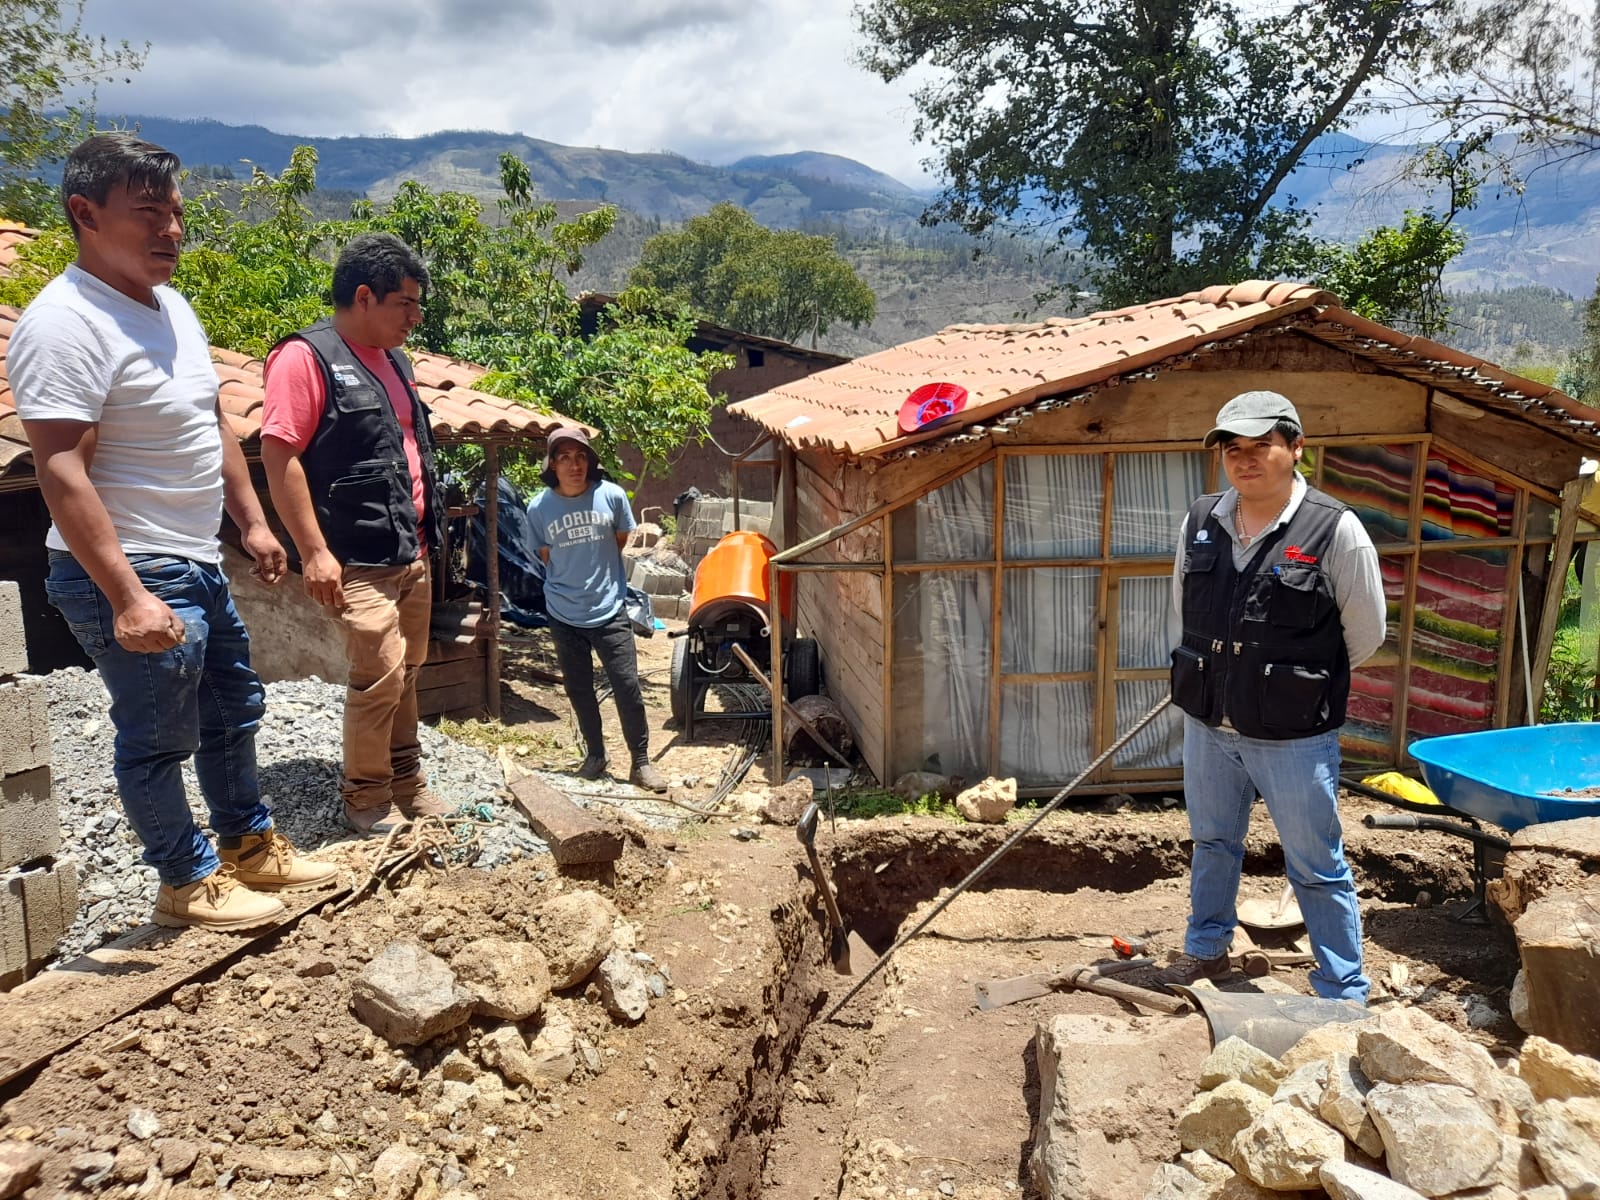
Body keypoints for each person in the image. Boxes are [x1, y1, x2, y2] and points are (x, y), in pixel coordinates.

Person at [12, 133, 337, 930]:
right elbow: (60, 470)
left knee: (235, 708)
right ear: (84, 213)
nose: (173, 231)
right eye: (148, 213)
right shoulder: (65, 324)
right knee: (161, 736)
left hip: (192, 558)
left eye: (178, 213)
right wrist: (125, 594)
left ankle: (248, 847)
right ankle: (185, 881)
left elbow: (213, 423)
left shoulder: (172, 307)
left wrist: (253, 523)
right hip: (128, 568)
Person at [1158, 390, 1386, 1003]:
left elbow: (1363, 634)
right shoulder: (1201, 521)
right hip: (1210, 723)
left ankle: (1341, 985)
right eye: (1234, 449)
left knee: (1315, 862)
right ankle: (1206, 945)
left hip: (1293, 736)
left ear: (1296, 448)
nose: (1246, 460)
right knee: (1212, 842)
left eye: (1262, 447)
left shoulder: (1334, 528)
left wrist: (1290, 684)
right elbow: (1184, 611)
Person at [260, 234, 448, 836]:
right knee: (382, 670)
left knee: (410, 670)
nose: (416, 318)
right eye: (406, 304)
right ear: (364, 296)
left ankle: (407, 778)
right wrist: (313, 552)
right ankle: (366, 796)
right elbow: (279, 455)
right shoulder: (305, 358)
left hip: (410, 549)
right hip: (356, 557)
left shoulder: (397, 362)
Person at [527, 427, 668, 792]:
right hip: (562, 613)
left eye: (581, 456)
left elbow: (620, 541)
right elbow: (547, 557)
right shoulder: (538, 508)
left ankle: (640, 763)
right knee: (579, 688)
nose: (574, 464)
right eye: (565, 457)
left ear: (589, 461)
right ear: (552, 464)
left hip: (609, 609)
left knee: (627, 686)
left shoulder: (613, 496)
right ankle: (596, 755)